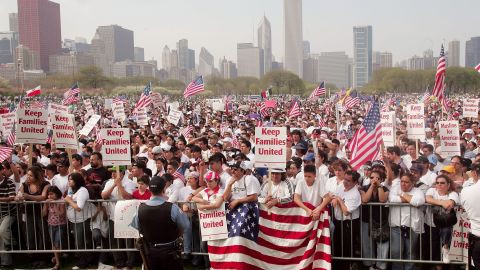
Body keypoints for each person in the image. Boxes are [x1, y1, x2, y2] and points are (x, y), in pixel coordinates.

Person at [135, 176, 190, 270]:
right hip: (170, 251)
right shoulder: (172, 208)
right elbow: (185, 226)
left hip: (151, 251)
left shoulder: (140, 208)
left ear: (149, 189)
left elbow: (138, 227)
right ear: (164, 188)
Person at [389, 173, 425, 270]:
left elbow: (418, 202)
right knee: (396, 251)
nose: (403, 184)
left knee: (410, 252)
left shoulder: (418, 191)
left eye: (406, 182)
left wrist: (402, 194)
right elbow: (392, 199)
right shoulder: (395, 188)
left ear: (412, 183)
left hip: (412, 227)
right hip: (396, 225)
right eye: (402, 181)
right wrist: (409, 199)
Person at [424, 174, 459, 266]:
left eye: (442, 183)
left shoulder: (453, 193)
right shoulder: (432, 190)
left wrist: (437, 202)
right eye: (437, 183)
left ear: (448, 185)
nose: (439, 185)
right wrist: (442, 202)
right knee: (434, 250)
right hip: (431, 225)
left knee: (447, 250)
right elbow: (427, 198)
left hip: (447, 226)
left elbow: (450, 204)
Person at [64, 172, 95, 269]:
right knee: (78, 242)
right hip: (73, 220)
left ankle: (84, 262)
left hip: (82, 220)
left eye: (71, 180)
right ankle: (84, 260)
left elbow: (79, 207)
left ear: (77, 181)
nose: (69, 181)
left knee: (82, 242)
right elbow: (68, 197)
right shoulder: (71, 189)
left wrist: (69, 200)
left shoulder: (82, 191)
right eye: (68, 179)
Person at [359, 170, 389, 270]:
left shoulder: (385, 188)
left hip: (380, 220)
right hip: (366, 219)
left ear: (381, 179)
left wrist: (379, 186)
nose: (374, 180)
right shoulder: (363, 188)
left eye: (377, 178)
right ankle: (370, 265)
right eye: (372, 177)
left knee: (382, 244)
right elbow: (365, 199)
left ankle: (380, 266)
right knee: (367, 244)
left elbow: (382, 200)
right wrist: (372, 186)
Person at [42, 186, 66, 270]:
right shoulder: (48, 202)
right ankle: (58, 262)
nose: (49, 196)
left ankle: (58, 259)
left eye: (51, 194)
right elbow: (44, 214)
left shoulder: (61, 201)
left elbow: (61, 214)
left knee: (57, 243)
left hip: (60, 225)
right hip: (51, 225)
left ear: (57, 193)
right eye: (48, 194)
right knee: (54, 244)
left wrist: (54, 204)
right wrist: (45, 204)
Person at [460, 172, 480, 269]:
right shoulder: (467, 191)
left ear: (475, 173)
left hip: (477, 238)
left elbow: (464, 206)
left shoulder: (466, 191)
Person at [0, 163, 16, 267]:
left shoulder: (9, 181)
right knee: (1, 237)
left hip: (9, 213)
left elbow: (12, 197)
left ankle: (12, 242)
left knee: (2, 230)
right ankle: (6, 262)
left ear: (1, 171)